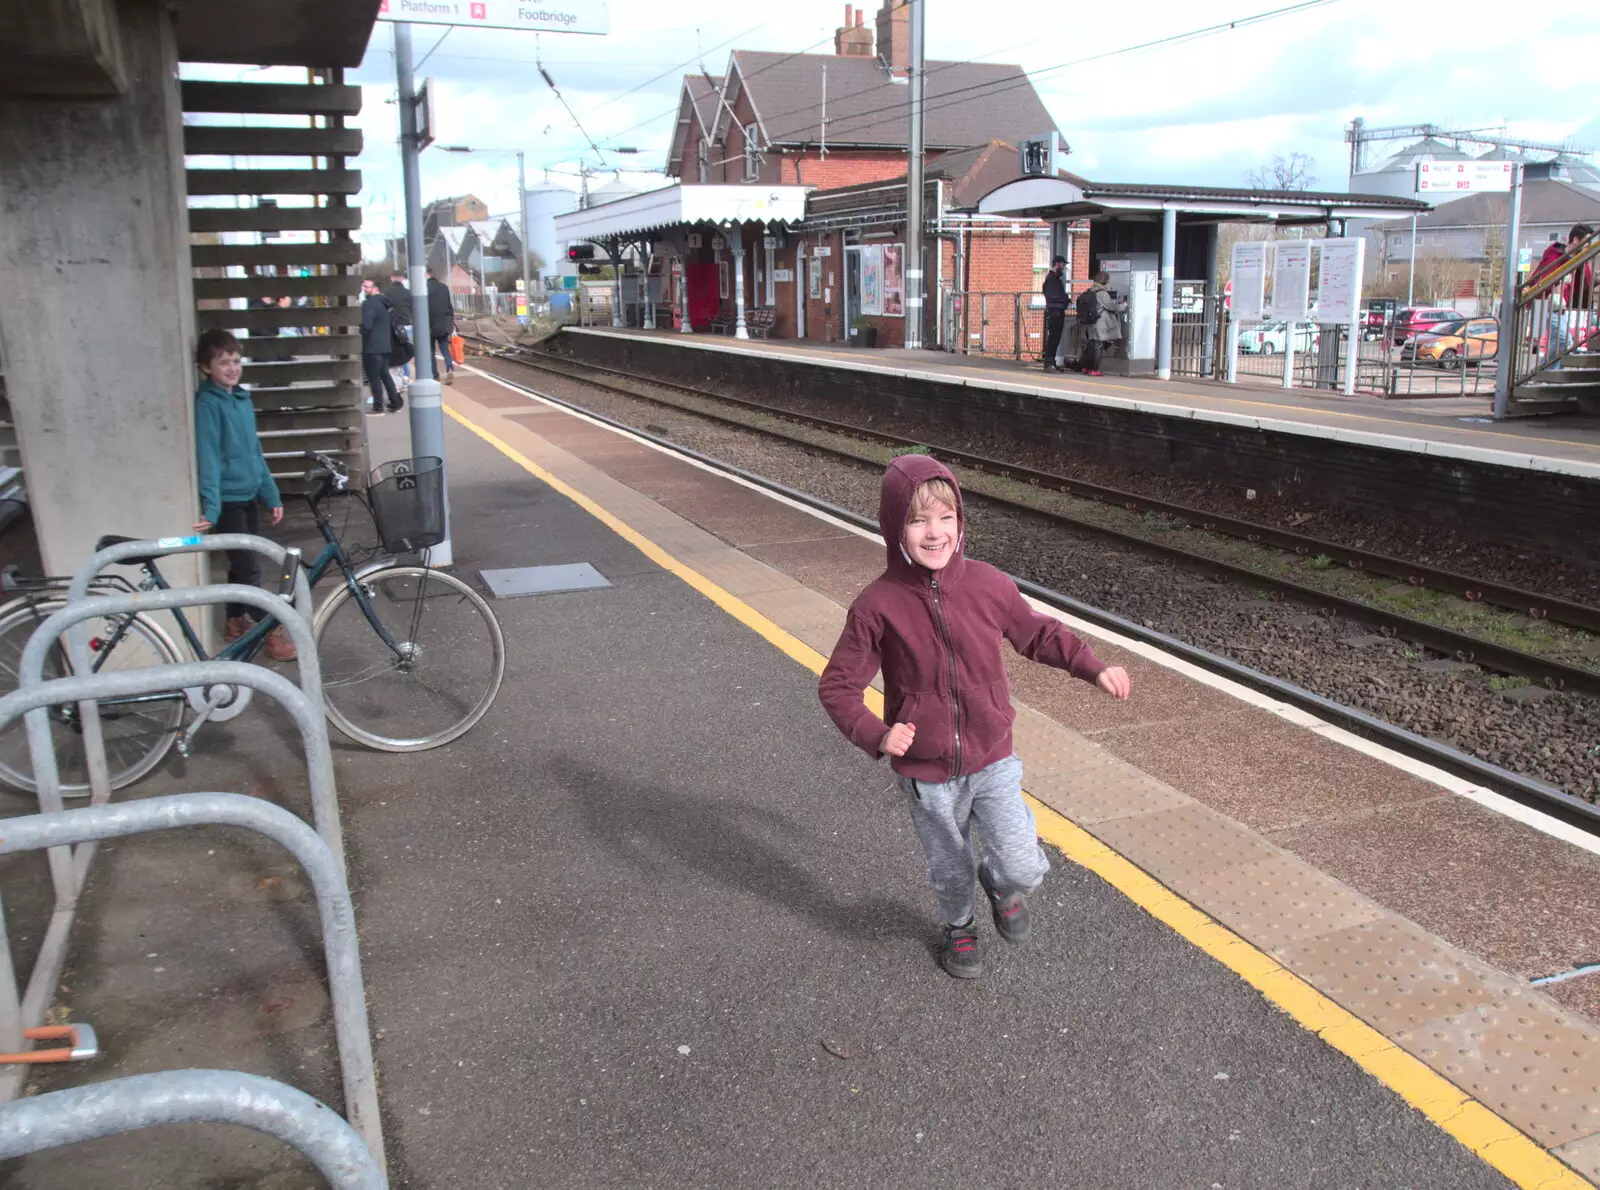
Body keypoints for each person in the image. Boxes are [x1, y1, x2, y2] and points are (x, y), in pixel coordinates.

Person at [818, 455, 1132, 979]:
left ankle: (1001, 882)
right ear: (894, 527)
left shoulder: (987, 584)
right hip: (926, 773)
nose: (934, 532)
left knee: (1024, 865)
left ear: (961, 522)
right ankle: (959, 926)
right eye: (918, 521)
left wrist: (1091, 666)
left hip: (992, 756)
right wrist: (877, 732)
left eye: (946, 517)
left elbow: (1039, 634)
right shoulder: (878, 605)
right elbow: (838, 685)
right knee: (948, 867)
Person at [191, 328, 297, 663]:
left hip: (248, 495)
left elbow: (254, 451)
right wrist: (211, 506)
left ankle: (235, 620)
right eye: (224, 362)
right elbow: (207, 455)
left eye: (236, 361)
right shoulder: (208, 404)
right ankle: (271, 630)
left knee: (241, 567)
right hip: (228, 501)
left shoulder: (241, 399)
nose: (233, 368)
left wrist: (272, 495)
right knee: (250, 570)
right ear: (206, 367)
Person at [360, 277, 403, 414]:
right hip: (385, 345)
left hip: (372, 346)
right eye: (364, 286)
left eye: (367, 287)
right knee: (385, 374)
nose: (365, 289)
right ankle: (395, 402)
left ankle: (378, 406)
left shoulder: (369, 304)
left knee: (374, 377)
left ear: (374, 288)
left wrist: (361, 329)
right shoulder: (385, 304)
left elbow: (367, 325)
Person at [1076, 270, 1126, 377]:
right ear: (1105, 281)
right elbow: (1112, 307)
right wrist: (1123, 306)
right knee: (1098, 346)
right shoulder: (1102, 293)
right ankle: (1094, 369)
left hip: (1090, 322)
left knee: (1091, 345)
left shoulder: (1091, 291)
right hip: (1099, 323)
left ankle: (1087, 368)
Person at [427, 266, 456, 386]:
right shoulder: (444, 287)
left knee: (430, 351)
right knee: (444, 349)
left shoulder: (424, 288)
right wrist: (451, 323)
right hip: (444, 324)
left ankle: (435, 375)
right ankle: (449, 368)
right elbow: (449, 306)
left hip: (429, 325)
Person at [385, 270, 413, 392]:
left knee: (396, 354)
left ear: (391, 278)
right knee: (406, 353)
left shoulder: (386, 293)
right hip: (407, 326)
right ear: (402, 279)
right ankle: (406, 377)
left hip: (393, 327)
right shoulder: (408, 293)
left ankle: (398, 380)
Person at [1041, 255, 1069, 373]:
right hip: (1055, 312)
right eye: (1062, 265)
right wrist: (1065, 300)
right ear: (1057, 264)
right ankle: (1049, 362)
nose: (1063, 267)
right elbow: (1053, 297)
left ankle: (1051, 362)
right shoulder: (1052, 279)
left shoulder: (1054, 279)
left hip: (1056, 311)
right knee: (1053, 339)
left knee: (1055, 339)